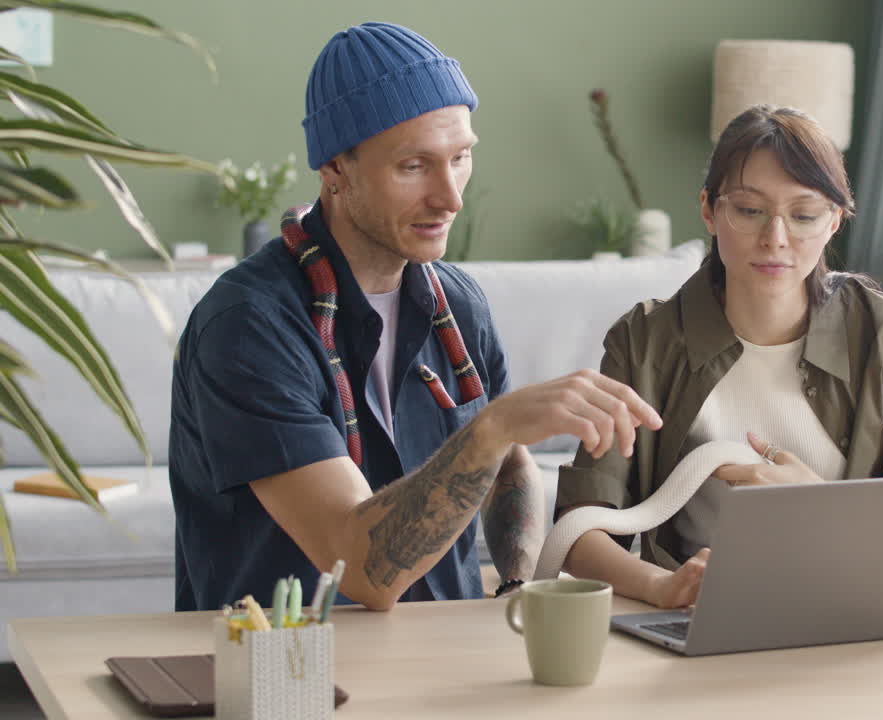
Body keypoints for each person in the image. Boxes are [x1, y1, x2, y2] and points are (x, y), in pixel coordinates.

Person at [169, 22, 661, 612]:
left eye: (461, 158)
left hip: (440, 649)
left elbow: (509, 473)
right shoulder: (249, 326)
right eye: (413, 166)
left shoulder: (458, 304)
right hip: (288, 667)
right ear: (334, 171)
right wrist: (492, 427)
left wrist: (514, 586)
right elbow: (363, 569)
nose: (450, 196)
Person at [556, 105, 883, 609]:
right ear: (709, 209)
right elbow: (579, 532)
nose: (776, 239)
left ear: (835, 220)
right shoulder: (644, 341)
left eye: (804, 215)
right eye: (749, 211)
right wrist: (663, 586)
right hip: (695, 615)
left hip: (857, 610)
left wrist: (823, 508)